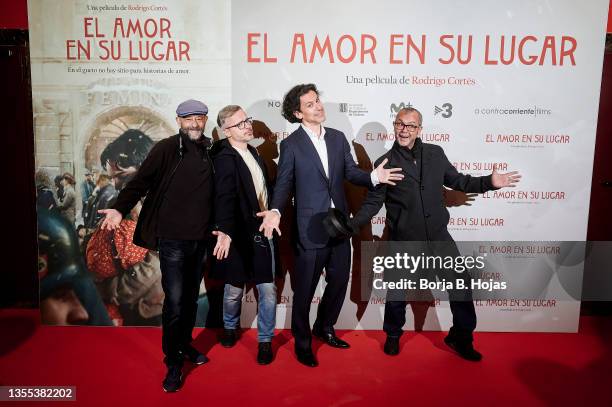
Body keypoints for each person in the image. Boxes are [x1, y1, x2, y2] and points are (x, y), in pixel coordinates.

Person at [351, 107, 521, 361]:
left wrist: (488, 182)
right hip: (404, 240)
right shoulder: (385, 163)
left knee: (460, 285)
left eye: (410, 125)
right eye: (400, 124)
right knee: (397, 291)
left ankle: (460, 337)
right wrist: (351, 224)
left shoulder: (435, 153)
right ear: (394, 126)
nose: (404, 130)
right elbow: (374, 203)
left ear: (419, 129)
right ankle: (393, 335)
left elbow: (459, 181)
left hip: (439, 237)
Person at [257, 84, 404, 367]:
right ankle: (302, 343)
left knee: (338, 282)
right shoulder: (291, 145)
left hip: (340, 226)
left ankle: (324, 327)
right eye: (310, 104)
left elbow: (350, 172)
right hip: (310, 227)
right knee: (305, 290)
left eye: (318, 101)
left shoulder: (337, 138)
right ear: (298, 113)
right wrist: (275, 209)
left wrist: (374, 176)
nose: (318, 106)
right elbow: (285, 182)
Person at [98, 99, 227, 392]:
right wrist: (120, 208)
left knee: (191, 300)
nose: (194, 124)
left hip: (200, 240)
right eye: (188, 119)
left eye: (199, 118)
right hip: (172, 241)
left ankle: (184, 345)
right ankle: (173, 361)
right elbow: (139, 183)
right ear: (179, 121)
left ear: (205, 120)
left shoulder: (210, 150)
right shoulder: (167, 148)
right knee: (176, 302)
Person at [210, 105, 279, 365]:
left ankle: (265, 341)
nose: (248, 126)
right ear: (226, 130)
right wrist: (226, 231)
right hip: (236, 232)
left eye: (247, 120)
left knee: (268, 289)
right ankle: (229, 327)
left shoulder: (254, 152)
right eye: (240, 124)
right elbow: (224, 197)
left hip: (263, 230)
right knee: (234, 289)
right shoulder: (225, 157)